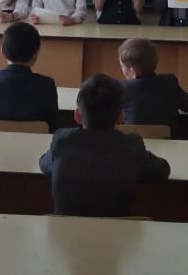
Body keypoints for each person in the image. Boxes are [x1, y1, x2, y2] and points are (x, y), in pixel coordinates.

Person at [38, 73, 170, 217]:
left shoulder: (62, 141)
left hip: (65, 231)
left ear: (77, 116)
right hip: (116, 231)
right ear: (121, 116)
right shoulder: (131, 145)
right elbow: (162, 171)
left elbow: (44, 165)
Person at [0, 21, 59, 132]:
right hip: (33, 143)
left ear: (2, 52)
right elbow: (54, 129)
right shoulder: (46, 86)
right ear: (35, 55)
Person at [118, 37, 188, 138]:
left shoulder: (121, 89)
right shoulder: (169, 82)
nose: (122, 70)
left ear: (133, 72)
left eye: (122, 67)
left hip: (134, 145)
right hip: (169, 144)